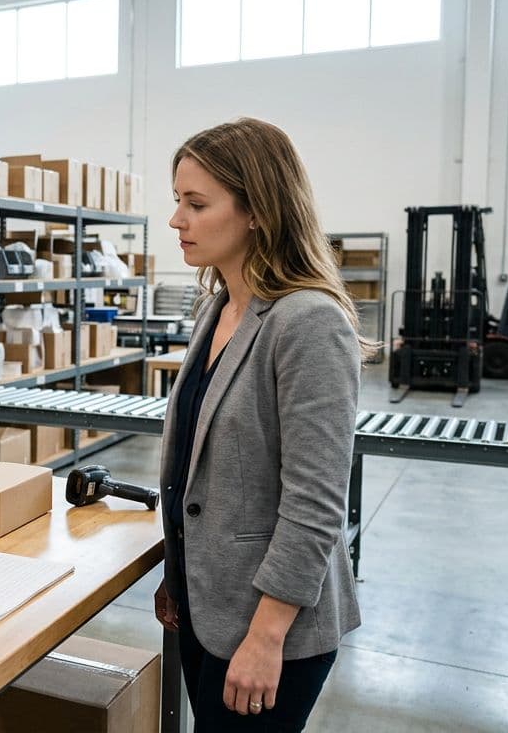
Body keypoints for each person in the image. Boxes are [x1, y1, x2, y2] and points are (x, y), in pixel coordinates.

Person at [153, 117, 366, 731]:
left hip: (269, 631)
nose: (177, 220)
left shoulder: (307, 323)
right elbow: (194, 467)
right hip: (206, 604)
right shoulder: (218, 308)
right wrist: (181, 576)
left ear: (256, 212)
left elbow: (317, 501)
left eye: (197, 204)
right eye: (178, 202)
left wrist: (267, 636)